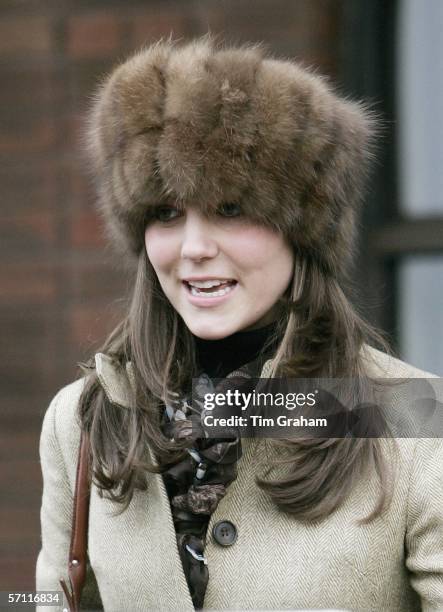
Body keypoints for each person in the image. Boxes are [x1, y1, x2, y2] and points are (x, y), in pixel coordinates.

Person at [36, 38, 443, 611]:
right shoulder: (82, 420)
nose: (194, 248)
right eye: (166, 212)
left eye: (230, 209)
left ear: (304, 231)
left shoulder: (420, 424)